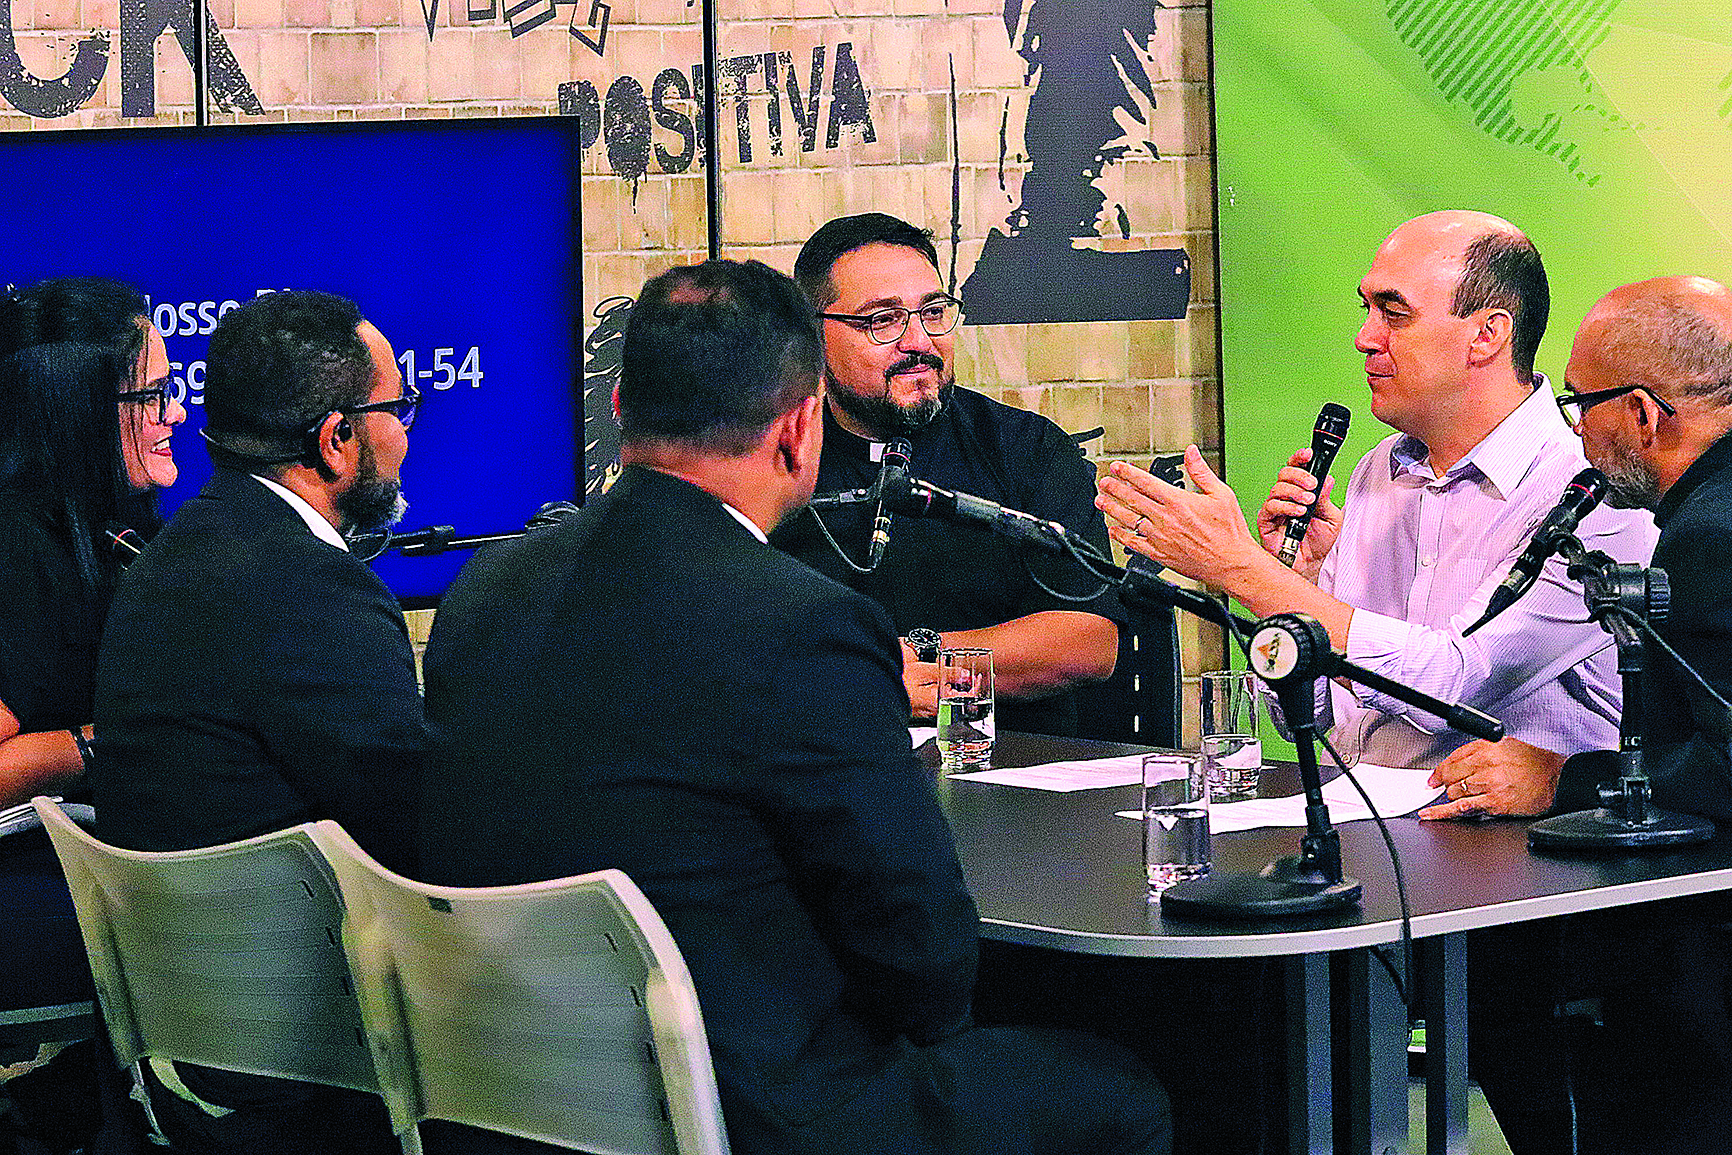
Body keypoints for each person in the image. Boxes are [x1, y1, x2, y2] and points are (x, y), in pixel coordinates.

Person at [416, 258, 1171, 1155]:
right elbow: (926, 964)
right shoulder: (802, 624)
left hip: (515, 1099)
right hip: (760, 1112)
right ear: (801, 428)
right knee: (1123, 1093)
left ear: (619, 408)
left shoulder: (485, 587)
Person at [1096, 210, 1657, 810]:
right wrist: (1298, 584)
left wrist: (1239, 570)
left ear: (1487, 335)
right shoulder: (1377, 470)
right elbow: (1309, 718)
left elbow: (1453, 684)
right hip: (1365, 818)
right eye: (1366, 309)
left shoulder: (1590, 490)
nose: (1365, 337)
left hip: (1516, 840)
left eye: (1394, 313)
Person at [92, 289, 426, 1155]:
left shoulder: (171, 559)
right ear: (336, 438)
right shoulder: (317, 593)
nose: (406, 433)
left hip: (188, 1042)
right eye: (398, 408)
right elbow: (421, 836)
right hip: (295, 1068)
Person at [1461, 276, 1732, 1155]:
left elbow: (1727, 765)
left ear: (1645, 415)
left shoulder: (1709, 535)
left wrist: (1560, 778)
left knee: (1505, 977)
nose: (1574, 430)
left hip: (1705, 992)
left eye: (1580, 403)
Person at [770, 212, 1121, 737]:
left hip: (1011, 767)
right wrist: (862, 680)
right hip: (824, 759)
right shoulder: (773, 458)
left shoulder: (1025, 449)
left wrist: (917, 657)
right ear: (813, 338)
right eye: (882, 320)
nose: (919, 341)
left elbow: (1088, 642)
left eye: (933, 312)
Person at [0, 276, 183, 1151]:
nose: (176, 413)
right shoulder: (20, 549)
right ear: (78, 410)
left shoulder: (111, 526)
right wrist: (97, 745)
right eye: (153, 395)